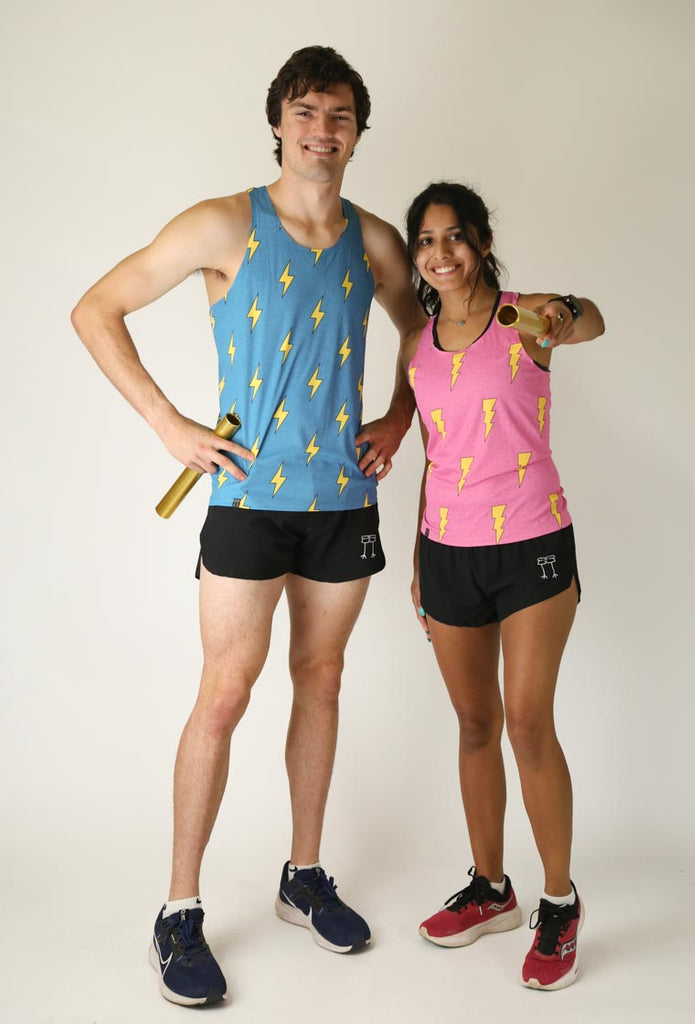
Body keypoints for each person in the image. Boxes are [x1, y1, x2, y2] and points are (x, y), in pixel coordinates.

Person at [71, 46, 423, 1007]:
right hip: (246, 503)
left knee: (323, 679)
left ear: (356, 131)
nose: (322, 128)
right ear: (279, 123)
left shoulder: (376, 240)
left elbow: (426, 332)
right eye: (305, 111)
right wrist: (165, 421)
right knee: (223, 694)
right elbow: (97, 306)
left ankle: (301, 878)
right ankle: (178, 911)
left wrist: (398, 416)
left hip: (343, 502)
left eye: (339, 114)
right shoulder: (224, 223)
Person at [402, 181, 605, 991]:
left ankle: (558, 902)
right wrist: (419, 552)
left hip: (532, 545)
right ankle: (492, 888)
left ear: (481, 242)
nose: (439, 253)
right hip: (446, 550)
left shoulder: (526, 317)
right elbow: (431, 449)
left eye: (454, 237)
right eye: (425, 241)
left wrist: (564, 309)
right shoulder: (415, 343)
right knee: (474, 723)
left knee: (525, 723)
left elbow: (590, 319)